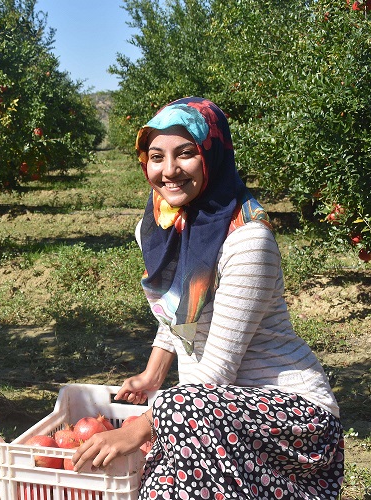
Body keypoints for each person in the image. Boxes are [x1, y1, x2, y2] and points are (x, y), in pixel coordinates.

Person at [71, 97, 344, 499]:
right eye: (156, 156)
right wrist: (153, 375)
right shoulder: (162, 226)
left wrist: (144, 426)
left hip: (290, 419)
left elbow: (215, 372)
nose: (169, 171)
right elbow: (180, 313)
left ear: (212, 154)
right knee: (159, 488)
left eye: (186, 154)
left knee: (178, 417)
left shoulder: (247, 239)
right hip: (209, 412)